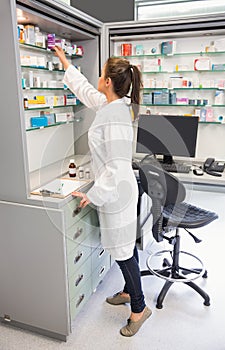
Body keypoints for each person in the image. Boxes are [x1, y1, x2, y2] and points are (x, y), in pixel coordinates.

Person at [54, 46, 152, 337]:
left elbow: (117, 167)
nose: (97, 78)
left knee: (122, 253)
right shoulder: (113, 105)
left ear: (108, 81)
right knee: (125, 248)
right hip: (118, 192)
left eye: (101, 74)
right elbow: (86, 92)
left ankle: (139, 308)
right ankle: (127, 290)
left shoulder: (115, 115)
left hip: (117, 193)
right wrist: (65, 63)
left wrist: (92, 195)